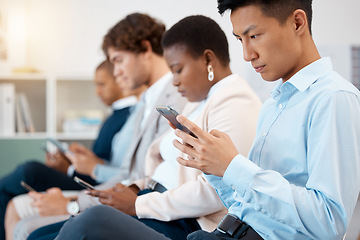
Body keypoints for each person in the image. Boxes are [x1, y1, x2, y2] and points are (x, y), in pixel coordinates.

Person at [42, 15, 262, 240]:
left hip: (184, 221)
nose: (174, 82)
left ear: (208, 60)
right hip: (154, 202)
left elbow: (219, 190)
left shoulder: (234, 100)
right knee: (41, 234)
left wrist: (139, 204)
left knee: (84, 224)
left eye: (178, 70)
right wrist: (135, 188)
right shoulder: (200, 102)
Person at [168, 1, 360, 240]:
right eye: (240, 39)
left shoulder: (334, 97)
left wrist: (233, 167)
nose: (248, 55)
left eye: (255, 35)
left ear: (297, 22)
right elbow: (249, 207)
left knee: (106, 220)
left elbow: (330, 221)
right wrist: (217, 169)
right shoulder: (272, 105)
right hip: (222, 232)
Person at [5, 12, 187, 240]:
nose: (117, 71)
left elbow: (143, 176)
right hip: (128, 194)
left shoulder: (177, 97)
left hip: (149, 204)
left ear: (145, 48)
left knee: (33, 229)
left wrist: (73, 203)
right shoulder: (144, 103)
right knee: (30, 227)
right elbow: (128, 174)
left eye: (119, 60)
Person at [0, 59, 143, 240]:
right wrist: (74, 162)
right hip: (93, 175)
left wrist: (73, 169)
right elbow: (106, 160)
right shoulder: (112, 116)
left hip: (97, 180)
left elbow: (124, 172)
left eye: (101, 84)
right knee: (19, 186)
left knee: (29, 170)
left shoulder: (133, 117)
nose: (97, 92)